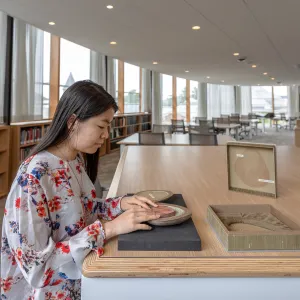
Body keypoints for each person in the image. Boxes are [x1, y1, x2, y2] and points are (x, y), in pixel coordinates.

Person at [1, 80, 160, 300]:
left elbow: (80, 209)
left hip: (81, 278)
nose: (106, 135)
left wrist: (120, 204)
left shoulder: (74, 160)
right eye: (102, 126)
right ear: (73, 122)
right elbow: (36, 268)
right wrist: (108, 229)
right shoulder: (34, 176)